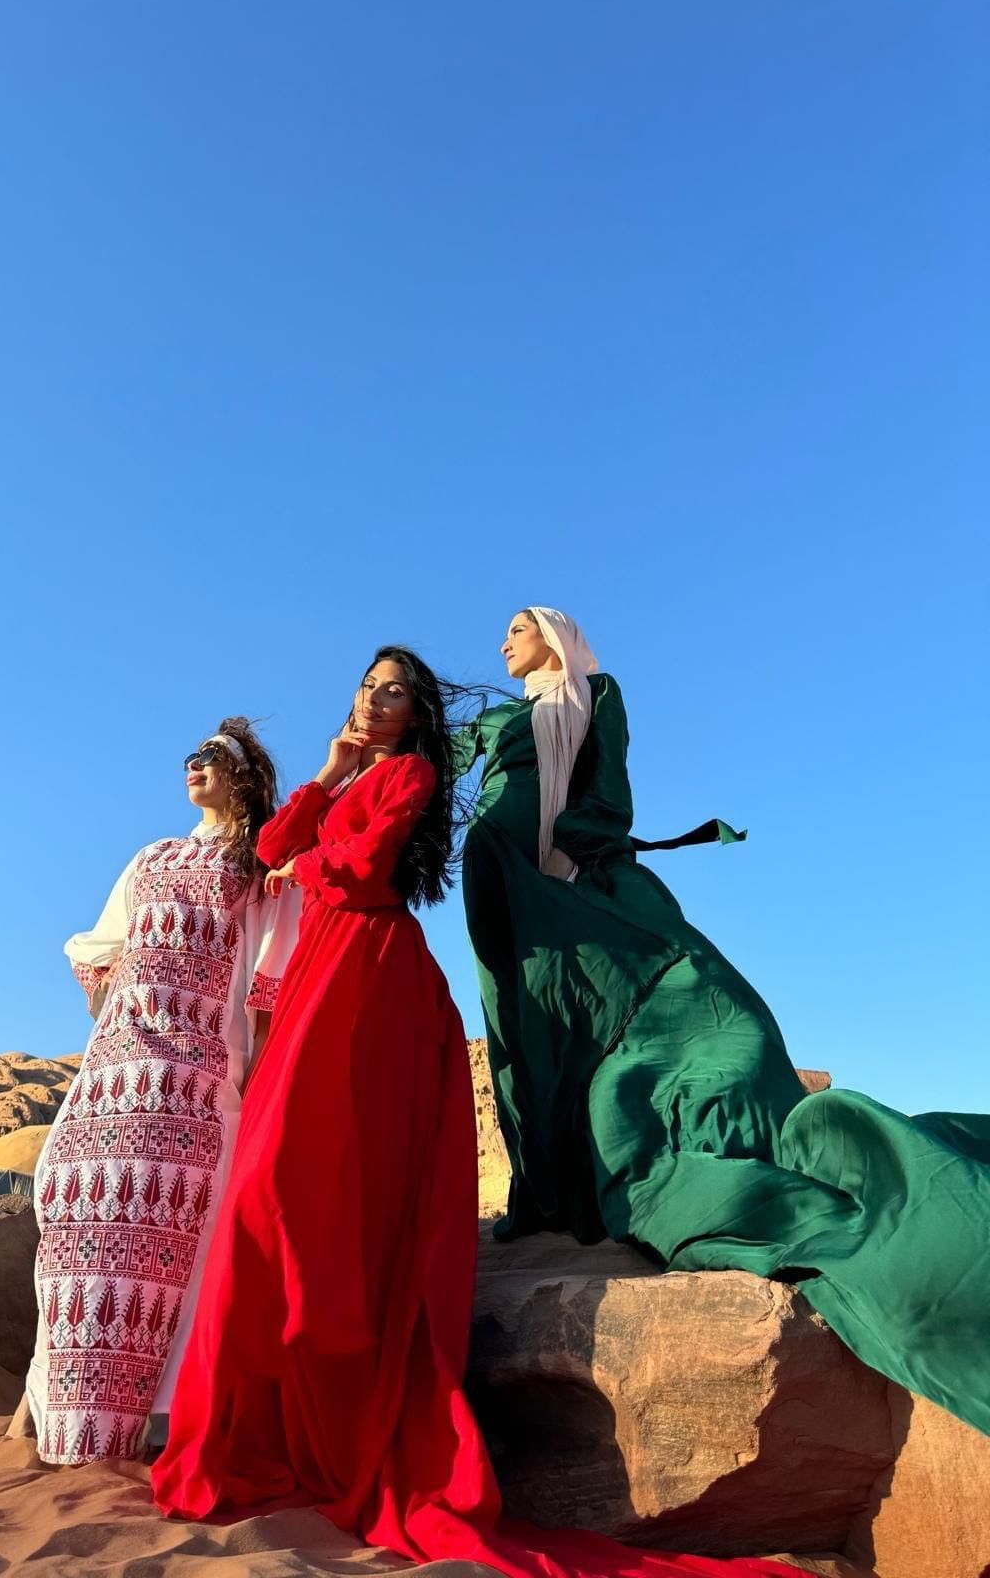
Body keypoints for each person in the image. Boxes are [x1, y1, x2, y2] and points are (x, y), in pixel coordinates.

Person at [152, 648, 798, 1578]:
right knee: (266, 1191)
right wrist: (327, 779)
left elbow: (368, 871)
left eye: (392, 692)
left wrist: (310, 864)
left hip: (373, 981)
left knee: (298, 1187)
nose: (372, 701)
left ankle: (350, 1412)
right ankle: (283, 1424)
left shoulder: (412, 773)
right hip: (319, 983)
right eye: (365, 687)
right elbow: (266, 849)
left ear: (416, 714)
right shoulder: (356, 774)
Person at [456, 606, 990, 1438]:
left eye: (517, 628)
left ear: (554, 636)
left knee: (674, 1013)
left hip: (576, 885)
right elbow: (425, 760)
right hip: (506, 895)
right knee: (527, 1038)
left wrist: (576, 859)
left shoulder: (595, 693)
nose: (502, 643)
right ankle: (550, 1184)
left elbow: (606, 787)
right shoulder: (495, 719)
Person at [22, 718, 301, 1465]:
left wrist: (262, 1066)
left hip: (203, 1069)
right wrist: (116, 1001)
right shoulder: (151, 855)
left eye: (211, 758)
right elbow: (100, 944)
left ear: (245, 775)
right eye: (190, 757)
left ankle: (165, 1417)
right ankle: (65, 1413)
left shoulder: (261, 863)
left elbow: (274, 967)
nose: (194, 767)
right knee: (78, 1197)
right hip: (117, 1061)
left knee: (181, 1226)